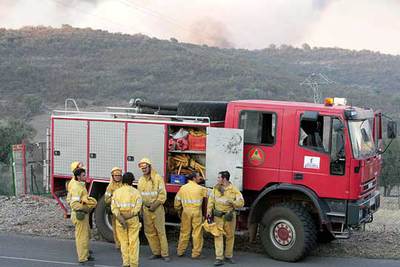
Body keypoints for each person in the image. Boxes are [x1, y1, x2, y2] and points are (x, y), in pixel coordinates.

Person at [207, 171, 244, 266]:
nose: (217, 179)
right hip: (218, 216)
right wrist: (208, 213)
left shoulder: (234, 190)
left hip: (229, 217)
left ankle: (228, 256)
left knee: (230, 236)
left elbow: (241, 203)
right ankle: (219, 258)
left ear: (224, 179)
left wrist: (232, 202)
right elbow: (210, 201)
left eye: (219, 177)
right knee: (218, 235)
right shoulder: (215, 189)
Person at [137, 157, 170, 261]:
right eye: (142, 168)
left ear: (149, 167)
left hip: (157, 209)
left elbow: (162, 194)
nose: (144, 170)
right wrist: (141, 210)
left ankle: (165, 254)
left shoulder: (157, 178)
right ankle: (156, 252)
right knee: (149, 232)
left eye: (145, 167)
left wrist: (154, 205)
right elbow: (139, 196)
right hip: (146, 210)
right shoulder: (141, 180)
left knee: (161, 231)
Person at [111, 172, 142, 267]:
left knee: (123, 242)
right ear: (132, 181)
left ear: (123, 180)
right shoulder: (136, 192)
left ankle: (126, 263)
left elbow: (114, 208)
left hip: (120, 221)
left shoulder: (117, 192)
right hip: (133, 220)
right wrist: (129, 216)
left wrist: (121, 218)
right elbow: (137, 208)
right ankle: (134, 264)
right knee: (134, 242)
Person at [174, 172, 208, 259]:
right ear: (193, 178)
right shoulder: (200, 188)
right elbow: (210, 195)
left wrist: (178, 210)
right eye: (198, 177)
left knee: (184, 232)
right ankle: (196, 253)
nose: (200, 178)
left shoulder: (183, 188)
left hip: (185, 212)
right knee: (197, 233)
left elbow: (177, 201)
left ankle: (180, 251)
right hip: (196, 212)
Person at [69, 167, 97, 265]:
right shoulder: (76, 187)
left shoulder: (81, 185)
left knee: (86, 235)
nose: (86, 176)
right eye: (83, 175)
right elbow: (74, 204)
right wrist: (86, 208)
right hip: (79, 215)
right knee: (81, 237)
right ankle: (82, 258)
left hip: (83, 215)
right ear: (78, 177)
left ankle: (86, 254)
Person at [104, 167, 123, 249]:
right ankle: (118, 244)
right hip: (114, 211)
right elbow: (106, 200)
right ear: (113, 176)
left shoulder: (123, 184)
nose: (117, 177)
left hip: (123, 210)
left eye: (119, 175)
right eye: (116, 175)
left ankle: (124, 244)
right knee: (116, 229)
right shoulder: (110, 187)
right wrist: (115, 198)